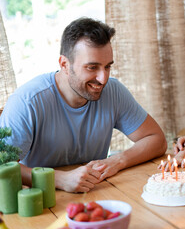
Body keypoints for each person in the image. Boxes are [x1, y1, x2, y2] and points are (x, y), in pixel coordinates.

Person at [0, 17, 167, 193]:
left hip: (95, 194)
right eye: (92, 67)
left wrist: (117, 160)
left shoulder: (114, 91)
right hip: (42, 201)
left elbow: (157, 140)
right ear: (64, 64)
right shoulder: (27, 101)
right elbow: (2, 165)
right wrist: (60, 179)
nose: (103, 79)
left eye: (107, 67)